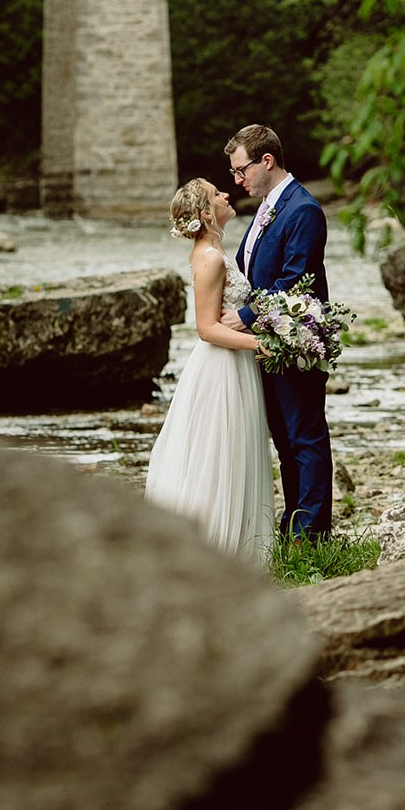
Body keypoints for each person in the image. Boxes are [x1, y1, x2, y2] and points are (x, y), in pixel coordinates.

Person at [144, 177, 275, 562]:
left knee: (232, 451)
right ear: (206, 214)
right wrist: (259, 343)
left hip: (232, 364)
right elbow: (206, 329)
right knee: (220, 453)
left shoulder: (215, 250)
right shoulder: (210, 258)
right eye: (218, 194)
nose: (226, 195)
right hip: (221, 370)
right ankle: (219, 550)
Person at [220, 123, 333, 539]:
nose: (237, 179)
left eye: (241, 169)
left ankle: (313, 532)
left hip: (294, 341)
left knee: (305, 437)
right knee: (285, 439)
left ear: (266, 161)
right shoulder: (268, 207)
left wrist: (245, 316)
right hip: (268, 344)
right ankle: (293, 524)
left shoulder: (303, 210)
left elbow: (294, 280)